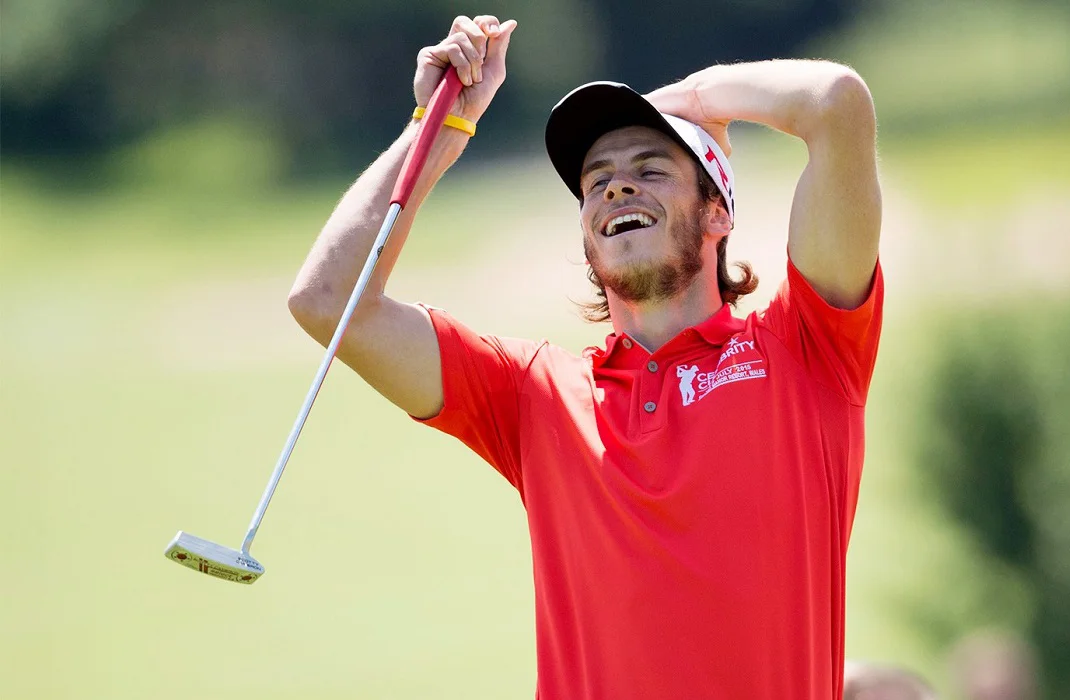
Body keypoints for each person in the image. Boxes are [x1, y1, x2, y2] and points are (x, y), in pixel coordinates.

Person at [288, 13, 883, 699]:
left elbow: (836, 103)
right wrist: (436, 130)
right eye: (596, 181)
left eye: (650, 169)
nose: (616, 188)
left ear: (717, 213)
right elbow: (329, 301)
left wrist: (687, 100)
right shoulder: (534, 394)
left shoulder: (806, 348)